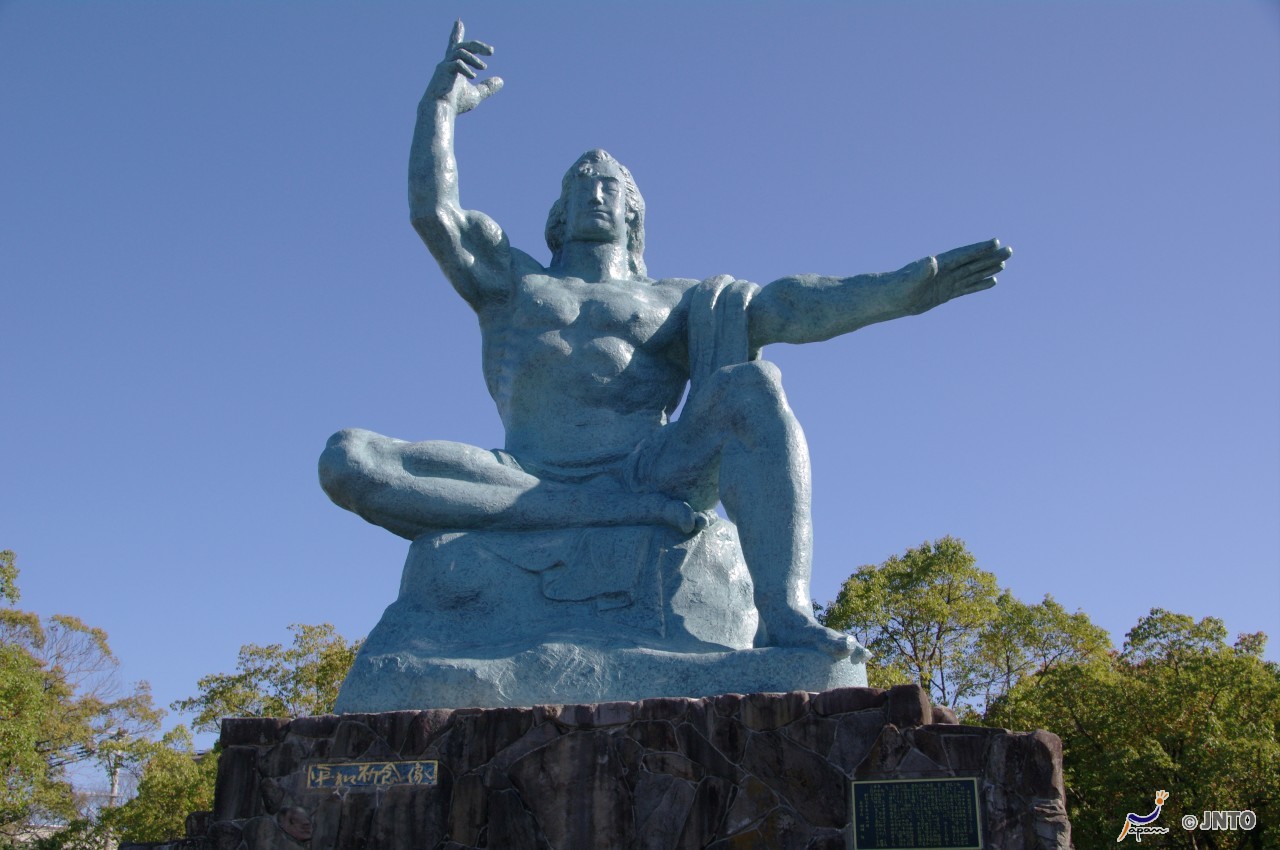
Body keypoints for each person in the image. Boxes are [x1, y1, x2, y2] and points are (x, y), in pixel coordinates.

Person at [320, 21, 1011, 659]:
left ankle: (784, 613)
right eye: (581, 183)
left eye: (612, 184)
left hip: (648, 469)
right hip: (523, 473)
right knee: (347, 457)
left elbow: (788, 306)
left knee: (751, 388)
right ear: (558, 213)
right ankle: (597, 513)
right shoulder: (512, 281)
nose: (596, 191)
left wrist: (897, 291)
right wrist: (438, 110)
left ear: (632, 210)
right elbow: (435, 212)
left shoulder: (679, 299)